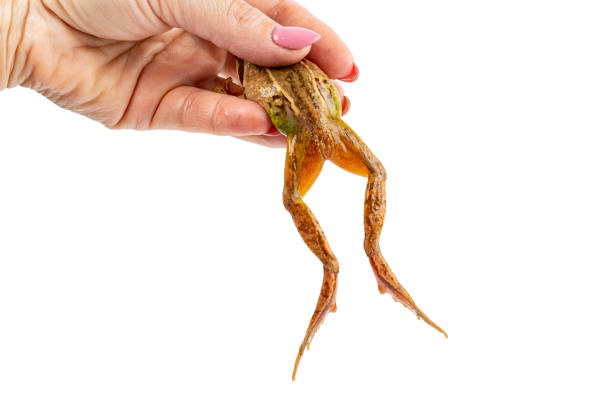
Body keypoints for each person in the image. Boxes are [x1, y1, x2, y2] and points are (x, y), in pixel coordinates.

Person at [0, 0, 357, 147]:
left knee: (376, 173)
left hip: (309, 104)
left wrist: (24, 27)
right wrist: (25, 26)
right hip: (269, 87)